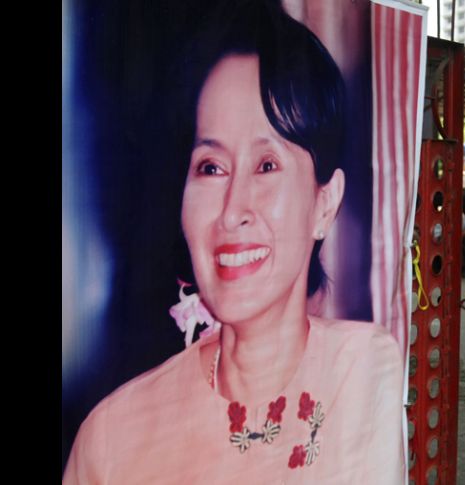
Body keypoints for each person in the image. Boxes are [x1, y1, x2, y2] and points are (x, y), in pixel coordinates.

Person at [63, 2, 405, 483]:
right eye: (211, 167)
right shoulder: (110, 439)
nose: (232, 210)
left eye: (267, 165)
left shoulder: (364, 368)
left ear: (324, 205)